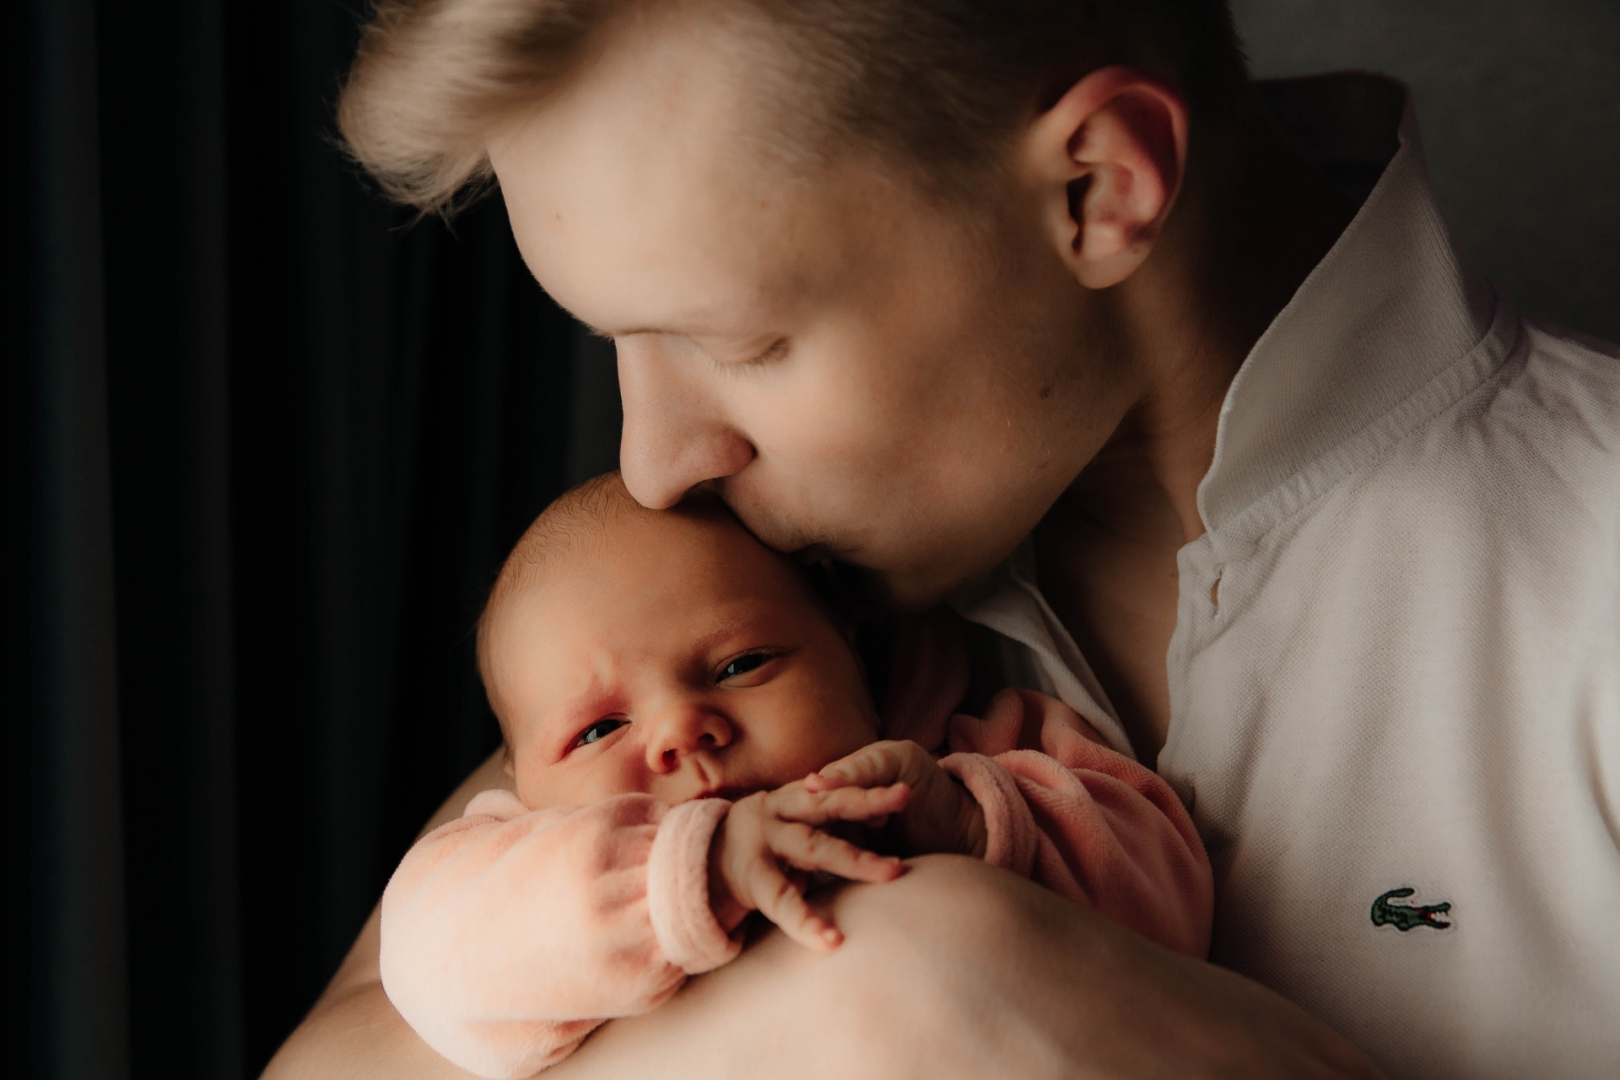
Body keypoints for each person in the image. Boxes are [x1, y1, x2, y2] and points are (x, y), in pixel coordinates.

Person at [264, 2, 1620, 1078]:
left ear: (1093, 188)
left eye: (730, 343)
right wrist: (932, 983)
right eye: (617, 341)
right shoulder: (727, 612)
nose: (652, 464)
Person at [379, 473, 1211, 1078]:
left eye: (741, 663)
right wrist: (678, 874)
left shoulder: (975, 761)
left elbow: (1171, 898)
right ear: (521, 785)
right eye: (599, 728)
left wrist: (972, 825)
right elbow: (431, 962)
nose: (680, 729)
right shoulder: (511, 875)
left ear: (855, 661)